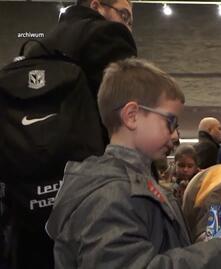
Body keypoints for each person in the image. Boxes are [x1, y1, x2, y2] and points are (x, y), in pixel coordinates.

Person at [46, 58, 221, 269]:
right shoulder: (113, 194)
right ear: (132, 116)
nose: (174, 135)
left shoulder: (133, 183)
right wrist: (216, 255)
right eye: (169, 122)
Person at [0, 1, 138, 268]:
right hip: (92, 198)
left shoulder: (37, 46)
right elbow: (124, 117)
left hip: (29, 199)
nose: (128, 26)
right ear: (97, 5)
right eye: (125, 15)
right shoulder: (110, 35)